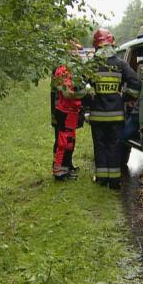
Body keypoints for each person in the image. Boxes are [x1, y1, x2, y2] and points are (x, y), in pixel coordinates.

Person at [88, 28, 140, 189]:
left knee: (100, 146)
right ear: (112, 44)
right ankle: (114, 181)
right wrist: (123, 97)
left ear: (96, 46)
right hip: (116, 115)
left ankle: (102, 179)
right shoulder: (120, 65)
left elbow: (78, 87)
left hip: (97, 116)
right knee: (114, 147)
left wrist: (89, 98)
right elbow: (137, 86)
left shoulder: (91, 66)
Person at [52, 42, 88, 181]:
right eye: (75, 51)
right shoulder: (63, 70)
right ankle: (59, 173)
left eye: (78, 51)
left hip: (71, 111)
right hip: (65, 111)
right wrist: (85, 93)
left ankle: (65, 169)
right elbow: (67, 94)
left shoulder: (71, 70)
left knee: (69, 141)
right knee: (63, 142)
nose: (77, 54)